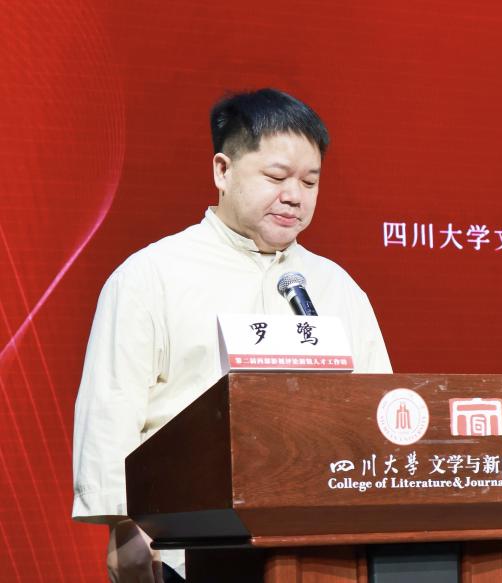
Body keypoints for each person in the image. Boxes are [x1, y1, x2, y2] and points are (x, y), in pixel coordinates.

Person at [72, 88, 392, 582]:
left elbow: (376, 411)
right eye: (276, 177)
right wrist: (122, 526)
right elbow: (111, 407)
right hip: (183, 548)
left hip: (321, 550)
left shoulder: (337, 287)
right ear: (223, 171)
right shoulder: (151, 275)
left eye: (310, 181)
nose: (295, 196)